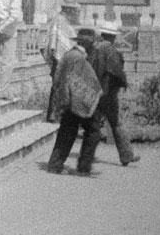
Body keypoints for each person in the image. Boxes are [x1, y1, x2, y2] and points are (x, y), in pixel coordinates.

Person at [45, 24, 107, 175]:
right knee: (93, 131)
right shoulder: (79, 59)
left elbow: (58, 78)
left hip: (67, 100)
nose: (94, 46)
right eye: (93, 43)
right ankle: (84, 166)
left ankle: (55, 164)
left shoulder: (67, 55)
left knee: (67, 131)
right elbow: (86, 81)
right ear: (87, 43)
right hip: (79, 101)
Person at [93, 20, 141, 166]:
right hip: (108, 94)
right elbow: (117, 73)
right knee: (116, 123)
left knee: (93, 125)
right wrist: (123, 83)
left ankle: (87, 157)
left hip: (95, 92)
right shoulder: (112, 52)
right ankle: (126, 155)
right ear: (112, 37)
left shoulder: (94, 49)